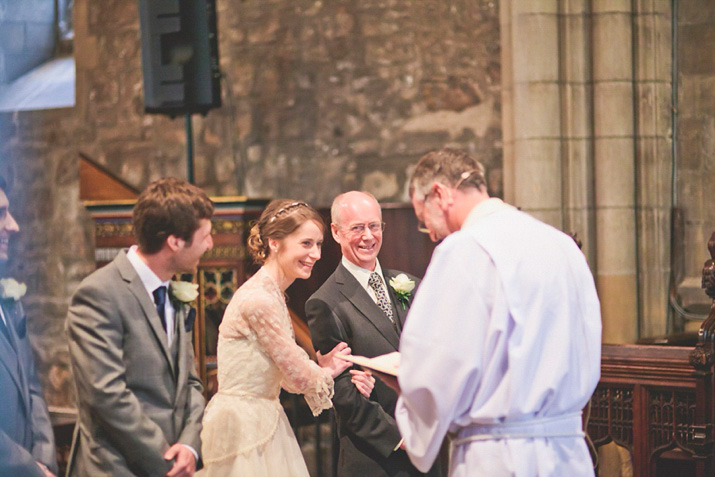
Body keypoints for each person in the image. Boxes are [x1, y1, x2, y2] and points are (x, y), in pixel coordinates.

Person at [394, 148, 602, 476]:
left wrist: (409, 402)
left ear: (439, 194)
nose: (432, 234)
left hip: (500, 457)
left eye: (425, 221)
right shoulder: (561, 244)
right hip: (568, 452)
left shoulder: (465, 249)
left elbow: (437, 367)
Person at [198, 199, 375, 477]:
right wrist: (326, 370)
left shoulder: (272, 293)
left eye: (318, 244)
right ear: (274, 243)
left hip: (263, 416)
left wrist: (316, 368)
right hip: (244, 425)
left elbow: (288, 378)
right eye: (306, 244)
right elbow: (299, 377)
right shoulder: (259, 299)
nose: (316, 254)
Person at [66, 178, 213, 477]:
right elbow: (106, 394)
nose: (210, 245)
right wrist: (166, 460)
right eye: (205, 236)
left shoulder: (174, 291)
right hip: (118, 467)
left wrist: (189, 446)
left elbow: (192, 384)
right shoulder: (99, 293)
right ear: (175, 241)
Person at [306, 191, 439, 477]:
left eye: (374, 226)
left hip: (426, 449)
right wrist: (401, 439)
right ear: (336, 232)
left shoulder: (410, 284)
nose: (368, 236)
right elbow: (343, 392)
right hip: (375, 458)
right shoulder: (325, 301)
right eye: (357, 228)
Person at [0, 176, 58, 477]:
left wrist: (45, 458)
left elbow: (32, 387)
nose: (14, 225)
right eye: (1, 213)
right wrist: (29, 469)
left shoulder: (9, 300)